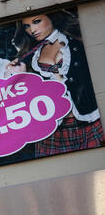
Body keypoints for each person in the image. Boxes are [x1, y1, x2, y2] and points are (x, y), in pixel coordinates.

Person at [11, 10, 104, 156]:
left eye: (36, 21)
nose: (32, 30)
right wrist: (20, 77)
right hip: (52, 133)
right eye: (26, 27)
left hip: (92, 122)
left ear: (51, 17)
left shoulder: (78, 39)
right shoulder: (29, 56)